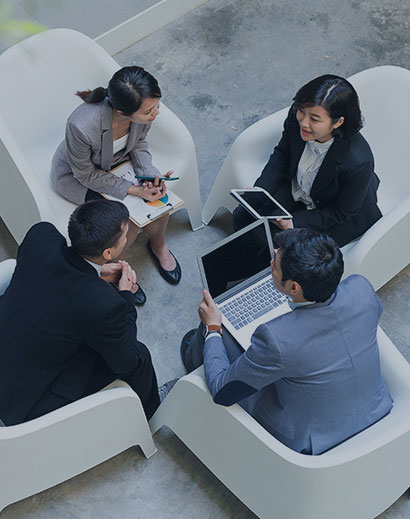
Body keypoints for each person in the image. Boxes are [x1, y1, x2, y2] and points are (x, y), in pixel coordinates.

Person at [181, 228, 393, 455]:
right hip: (375, 406)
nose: (272, 256)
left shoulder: (275, 339)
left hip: (310, 438)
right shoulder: (361, 289)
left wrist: (213, 327)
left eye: (275, 262)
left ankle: (194, 355)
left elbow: (222, 392)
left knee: (220, 334)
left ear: (294, 287)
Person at [0, 200, 175, 427]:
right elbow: (125, 362)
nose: (127, 238)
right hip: (21, 399)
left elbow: (60, 278)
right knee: (139, 356)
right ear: (108, 252)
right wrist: (126, 296)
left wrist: (96, 275)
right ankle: (150, 416)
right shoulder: (105, 305)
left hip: (13, 332)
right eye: (125, 236)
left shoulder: (41, 235)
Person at [51, 66, 181, 305]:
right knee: (124, 223)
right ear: (122, 111)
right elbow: (86, 174)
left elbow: (139, 144)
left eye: (157, 106)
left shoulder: (143, 114)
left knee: (160, 203)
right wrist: (134, 189)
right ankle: (114, 269)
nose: (156, 114)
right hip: (78, 178)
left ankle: (158, 244)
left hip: (118, 164)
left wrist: (150, 177)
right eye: (149, 111)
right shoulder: (81, 126)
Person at [233, 75, 382, 247]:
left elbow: (340, 212)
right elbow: (282, 155)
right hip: (299, 188)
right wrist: (260, 191)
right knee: (242, 216)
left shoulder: (358, 161)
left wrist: (293, 223)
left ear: (338, 122)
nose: (304, 122)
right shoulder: (298, 116)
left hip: (332, 211)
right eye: (302, 111)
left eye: (315, 119)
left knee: (275, 241)